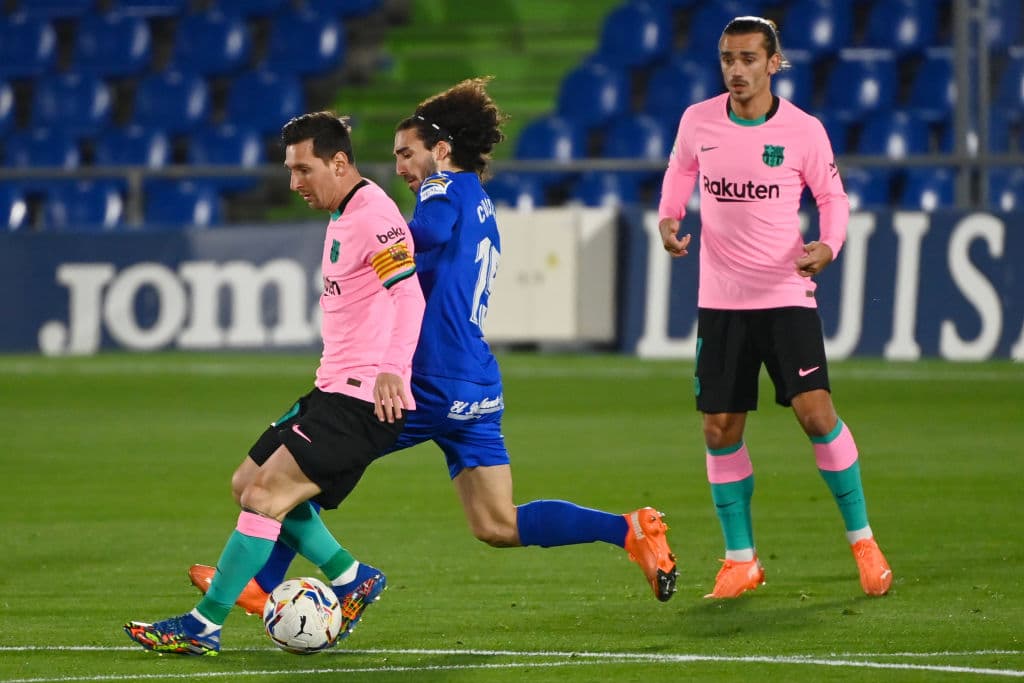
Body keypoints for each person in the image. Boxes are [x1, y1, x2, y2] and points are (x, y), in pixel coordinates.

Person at [188, 78, 679, 613]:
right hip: (475, 379)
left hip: (428, 377)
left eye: (407, 154)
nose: (400, 167)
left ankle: (261, 580)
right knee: (496, 523)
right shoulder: (483, 201)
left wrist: (383, 233)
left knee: (302, 462)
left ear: (441, 151)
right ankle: (629, 530)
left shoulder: (441, 189)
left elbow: (429, 232)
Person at [124, 111, 425, 655]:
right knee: (247, 482)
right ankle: (350, 575)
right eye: (289, 170)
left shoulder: (374, 215)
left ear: (339, 163)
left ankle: (203, 624)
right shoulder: (347, 209)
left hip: (361, 398)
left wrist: (393, 369)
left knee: (265, 497)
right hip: (332, 387)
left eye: (303, 169)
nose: (293, 183)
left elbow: (409, 295)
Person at [657, 17, 892, 599]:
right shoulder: (698, 121)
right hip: (721, 300)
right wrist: (670, 216)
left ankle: (863, 541)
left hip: (785, 295)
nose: (736, 70)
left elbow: (832, 196)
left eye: (747, 59)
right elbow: (679, 170)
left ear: (773, 63)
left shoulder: (804, 132)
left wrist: (829, 245)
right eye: (727, 59)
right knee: (719, 428)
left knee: (815, 414)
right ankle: (741, 559)